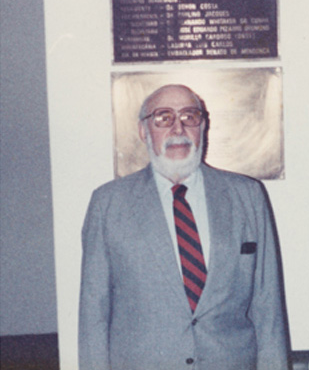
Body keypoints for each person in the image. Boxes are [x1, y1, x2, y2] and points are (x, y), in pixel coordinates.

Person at [79, 84, 292, 370]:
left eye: (189, 116)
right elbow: (94, 312)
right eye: (163, 118)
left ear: (203, 126)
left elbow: (269, 307)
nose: (178, 129)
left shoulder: (247, 196)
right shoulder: (108, 204)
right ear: (144, 131)